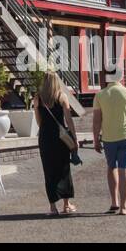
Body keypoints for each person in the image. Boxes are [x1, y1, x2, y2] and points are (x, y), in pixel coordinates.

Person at [92, 74, 126, 215]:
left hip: (108, 138)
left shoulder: (100, 95)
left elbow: (97, 120)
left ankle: (114, 202)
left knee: (111, 167)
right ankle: (124, 207)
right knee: (124, 170)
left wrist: (96, 139)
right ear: (120, 77)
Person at [34, 71, 78, 216]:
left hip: (45, 137)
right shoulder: (61, 96)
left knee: (49, 170)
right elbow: (68, 119)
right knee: (63, 169)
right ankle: (66, 204)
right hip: (60, 138)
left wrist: (45, 127)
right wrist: (74, 137)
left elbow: (38, 120)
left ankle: (53, 207)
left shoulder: (38, 97)